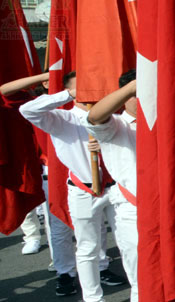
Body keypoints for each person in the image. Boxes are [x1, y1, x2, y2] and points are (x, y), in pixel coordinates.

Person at [19, 71, 129, 302]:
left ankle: (140, 292)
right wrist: (68, 94)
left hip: (116, 188)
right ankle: (93, 298)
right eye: (81, 86)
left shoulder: (114, 116)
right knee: (87, 247)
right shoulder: (62, 118)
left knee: (128, 243)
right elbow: (27, 110)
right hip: (84, 189)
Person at [83, 70, 142, 302]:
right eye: (134, 95)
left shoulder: (166, 121)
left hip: (171, 209)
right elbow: (95, 117)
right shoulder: (116, 125)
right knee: (141, 279)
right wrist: (132, 87)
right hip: (133, 210)